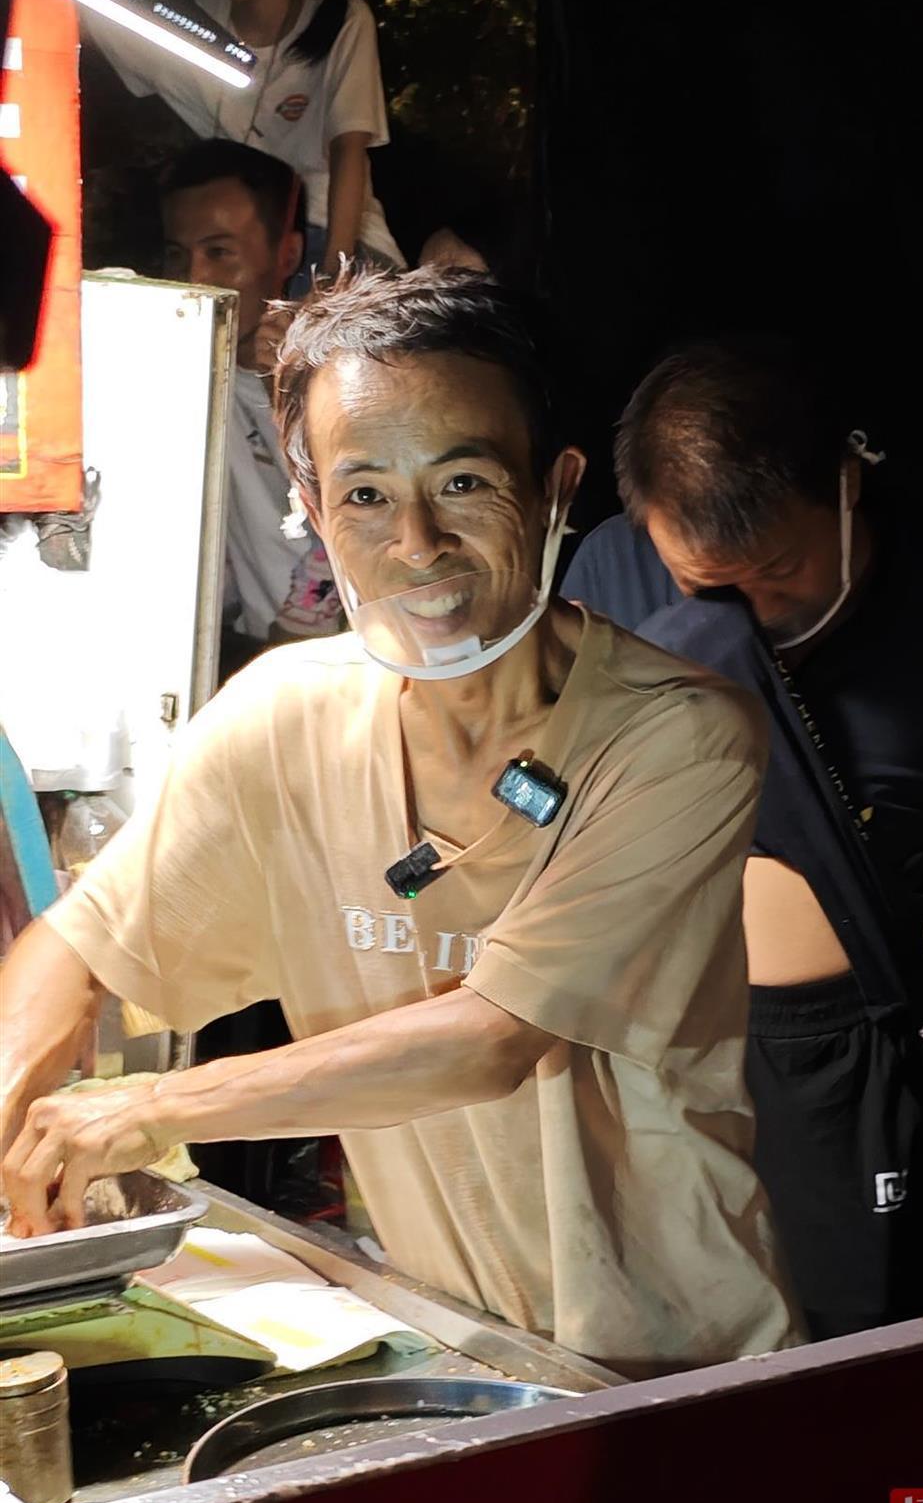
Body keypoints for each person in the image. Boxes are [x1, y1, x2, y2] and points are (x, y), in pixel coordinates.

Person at [0, 270, 801, 1377]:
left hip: (670, 1355)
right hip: (448, 1332)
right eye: (366, 494)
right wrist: (15, 1104)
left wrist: (146, 1109)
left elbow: (491, 1038)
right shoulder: (287, 716)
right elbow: (80, 944)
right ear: (313, 502)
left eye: (463, 481)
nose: (417, 544)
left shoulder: (679, 735)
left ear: (556, 485)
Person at [562, 337, 923, 1338]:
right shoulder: (609, 574)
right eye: (705, 583)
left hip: (845, 1053)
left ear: (845, 482)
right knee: (665, 1324)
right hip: (651, 1042)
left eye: (778, 569)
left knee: (845, 1339)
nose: (749, 610)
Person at [84, 0, 403, 277]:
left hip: (333, 234)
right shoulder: (187, 15)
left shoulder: (342, 18)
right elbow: (91, 6)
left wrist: (334, 274)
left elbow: (348, 148)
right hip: (234, 237)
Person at [160, 139, 344, 674]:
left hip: (338, 666)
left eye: (219, 253)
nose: (194, 278)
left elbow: (359, 516)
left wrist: (286, 395)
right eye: (177, 255)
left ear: (287, 255)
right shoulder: (177, 372)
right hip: (244, 658)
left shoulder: (330, 376)